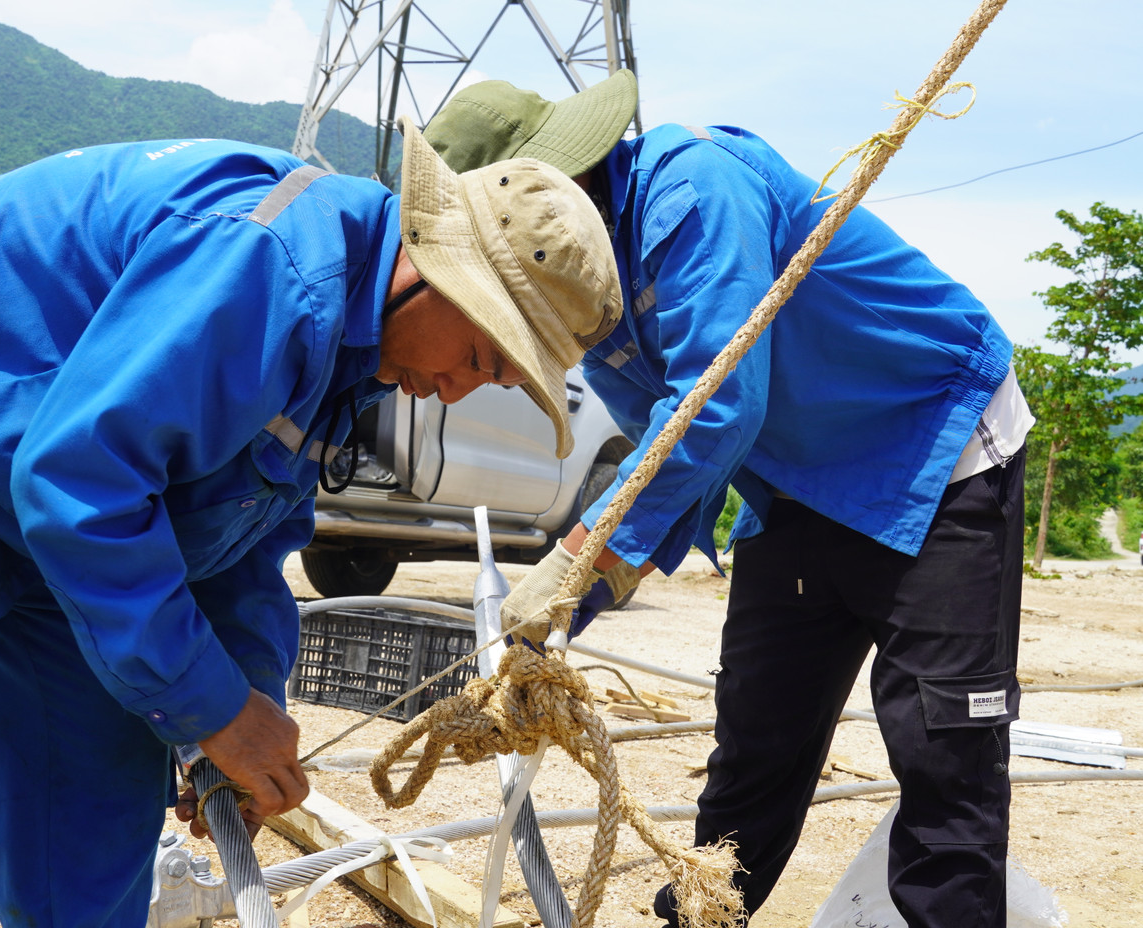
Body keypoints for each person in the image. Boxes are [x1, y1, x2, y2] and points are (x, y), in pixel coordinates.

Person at [0, 120, 621, 928]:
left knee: (92, 808)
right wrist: (211, 710)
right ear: (430, 270)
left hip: (26, 509)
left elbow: (238, 535)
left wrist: (240, 699)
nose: (462, 388)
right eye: (480, 356)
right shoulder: (270, 268)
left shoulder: (352, 347)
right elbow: (78, 484)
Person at [425, 71, 1034, 928]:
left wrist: (576, 556)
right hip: (794, 484)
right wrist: (571, 607)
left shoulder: (694, 185)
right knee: (756, 748)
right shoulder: (590, 294)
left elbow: (717, 403)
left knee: (943, 759)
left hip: (933, 445)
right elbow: (675, 461)